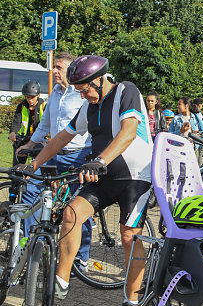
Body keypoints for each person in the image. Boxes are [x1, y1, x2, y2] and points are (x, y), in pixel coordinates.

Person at [21, 55, 153, 304]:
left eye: (84, 90)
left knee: (128, 236)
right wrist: (34, 164)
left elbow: (129, 132)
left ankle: (133, 300)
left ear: (99, 80)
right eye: (79, 91)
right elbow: (62, 137)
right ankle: (61, 279)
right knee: (71, 213)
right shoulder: (88, 107)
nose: (82, 96)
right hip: (103, 176)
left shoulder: (126, 90)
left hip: (135, 178)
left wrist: (100, 160)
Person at [16, 52, 93, 273]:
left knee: (79, 205)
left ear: (70, 70)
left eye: (58, 67)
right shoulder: (54, 95)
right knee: (31, 191)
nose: (54, 71)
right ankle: (29, 248)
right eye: (54, 67)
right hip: (54, 154)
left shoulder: (81, 94)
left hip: (78, 155)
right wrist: (30, 145)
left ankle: (81, 256)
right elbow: (44, 126)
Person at [9, 80, 47, 165]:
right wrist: (13, 132)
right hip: (25, 138)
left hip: (39, 139)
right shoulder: (22, 106)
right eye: (27, 97)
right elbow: (17, 120)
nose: (29, 100)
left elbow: (48, 123)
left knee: (39, 159)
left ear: (38, 95)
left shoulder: (44, 106)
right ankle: (17, 176)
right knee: (18, 159)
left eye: (32, 97)